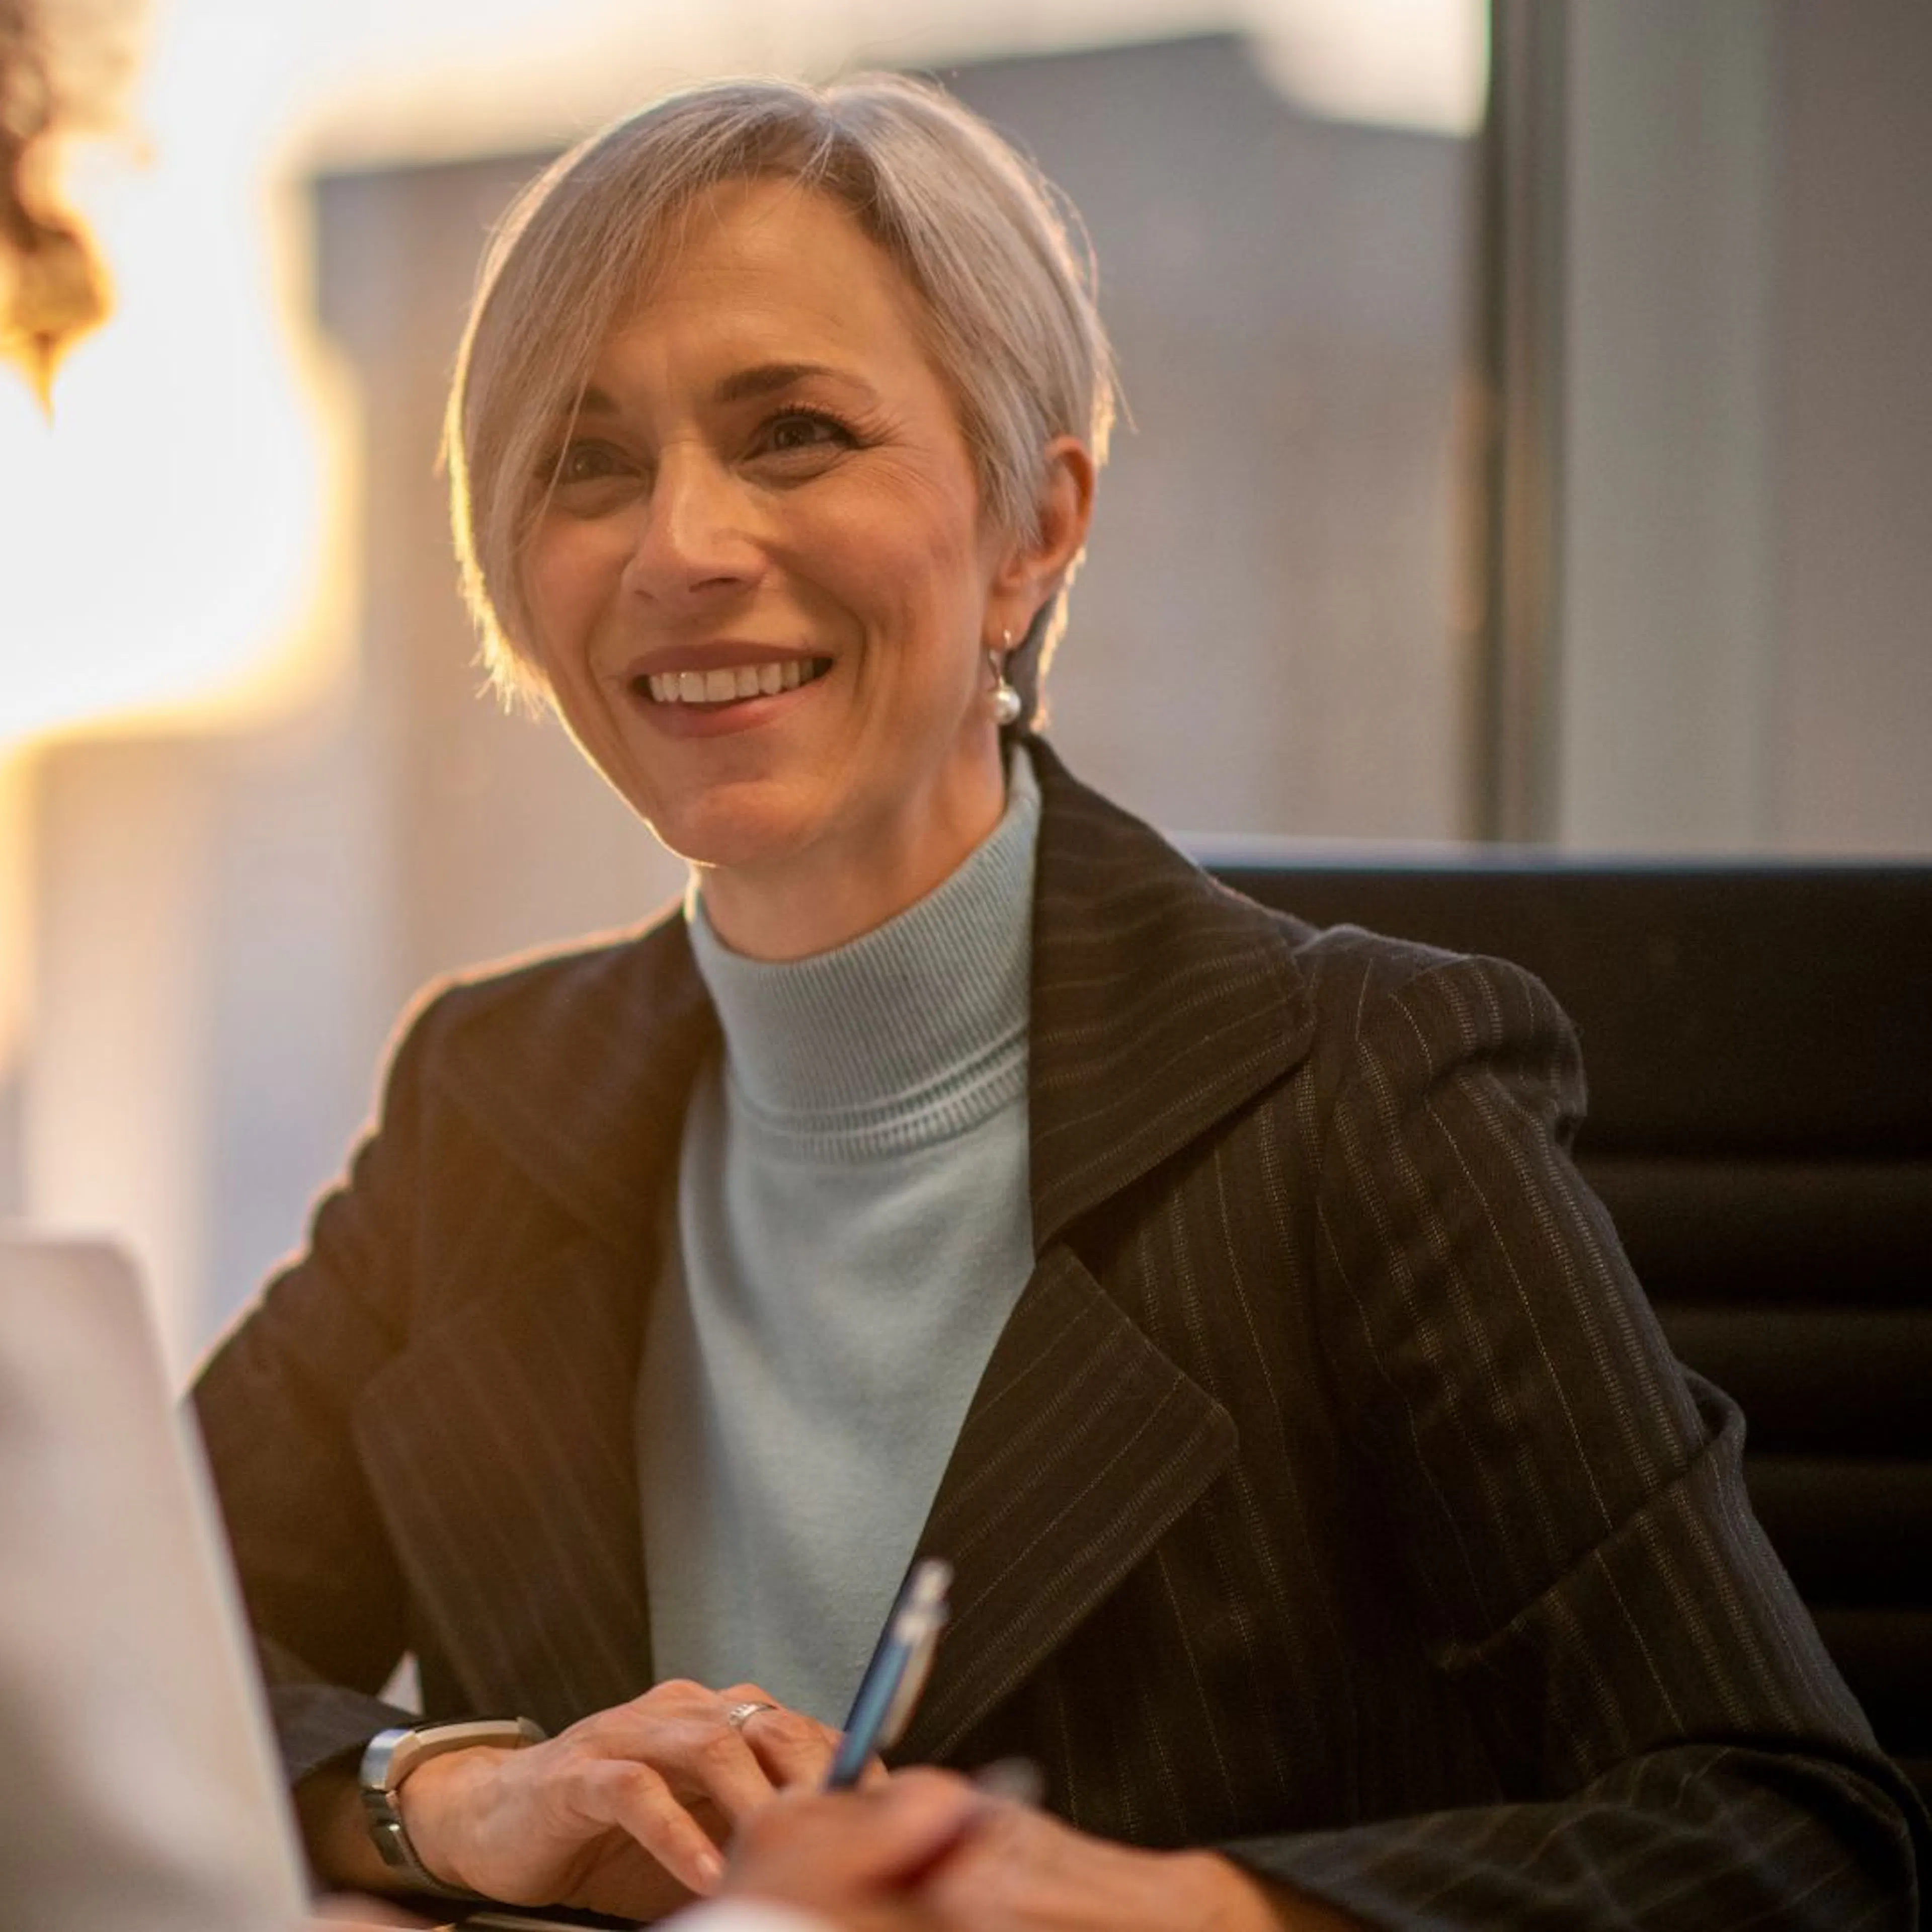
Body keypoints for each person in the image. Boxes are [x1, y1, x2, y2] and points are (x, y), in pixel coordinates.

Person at [191, 70, 1924, 1931]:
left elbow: (1787, 1837)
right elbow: (106, 1665)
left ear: (1035, 527)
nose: (679, 545)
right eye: (585, 462)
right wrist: (436, 1793)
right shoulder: (490, 1100)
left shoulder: (1365, 1094)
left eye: (791, 432)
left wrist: (1151, 1909)